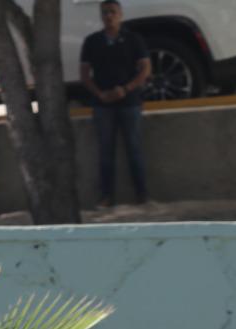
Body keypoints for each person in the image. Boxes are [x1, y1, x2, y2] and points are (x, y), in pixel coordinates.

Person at [80, 0, 151, 207]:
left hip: (130, 102)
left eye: (112, 12)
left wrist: (126, 89)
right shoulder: (92, 41)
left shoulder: (134, 39)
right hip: (102, 104)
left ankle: (142, 195)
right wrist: (99, 94)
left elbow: (145, 69)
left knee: (134, 148)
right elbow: (84, 75)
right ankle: (106, 197)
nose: (108, 16)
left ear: (120, 15)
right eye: (105, 12)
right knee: (105, 151)